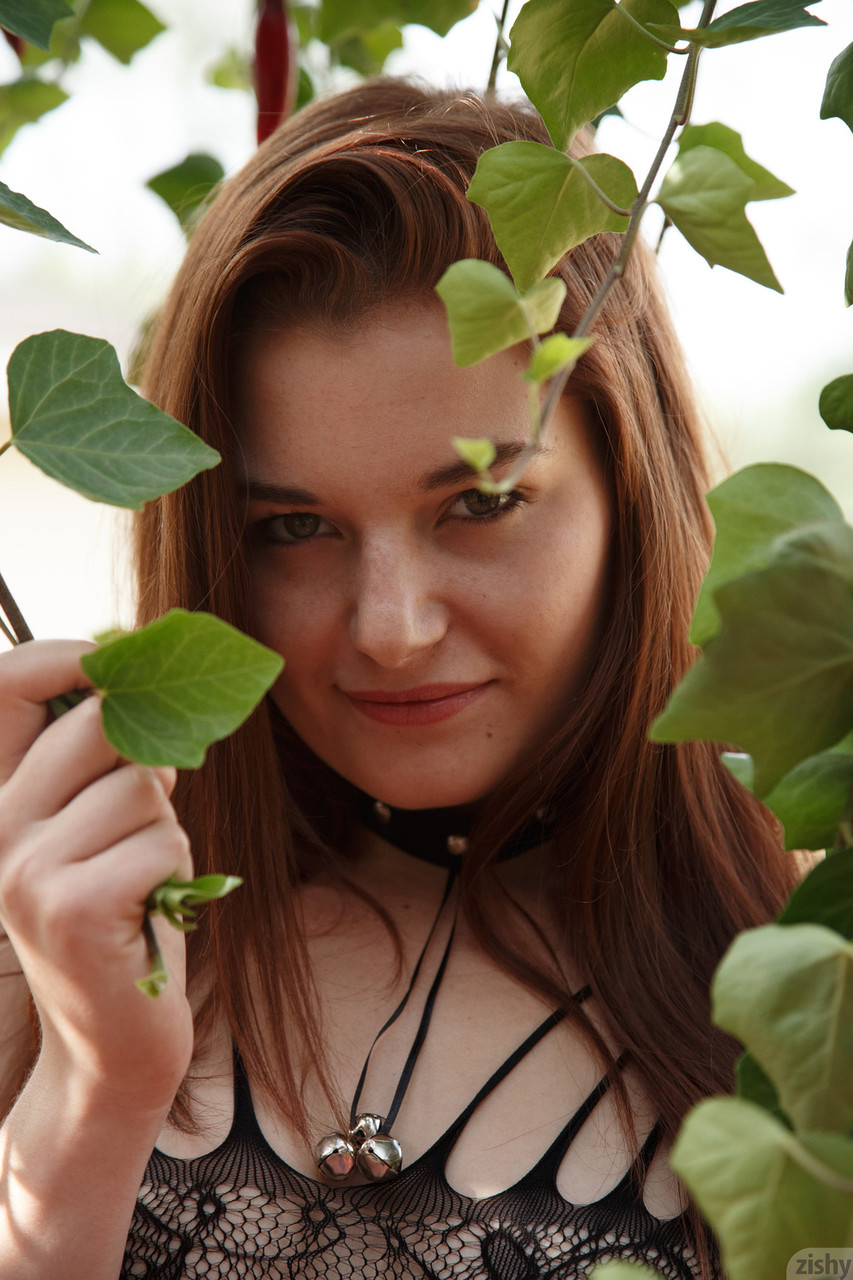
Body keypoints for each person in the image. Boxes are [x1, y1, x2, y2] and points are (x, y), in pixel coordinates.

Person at [0, 79, 799, 1280]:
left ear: (631, 495)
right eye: (293, 528)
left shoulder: (808, 987)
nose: (391, 629)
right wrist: (94, 1090)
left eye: (479, 502)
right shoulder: (54, 932)